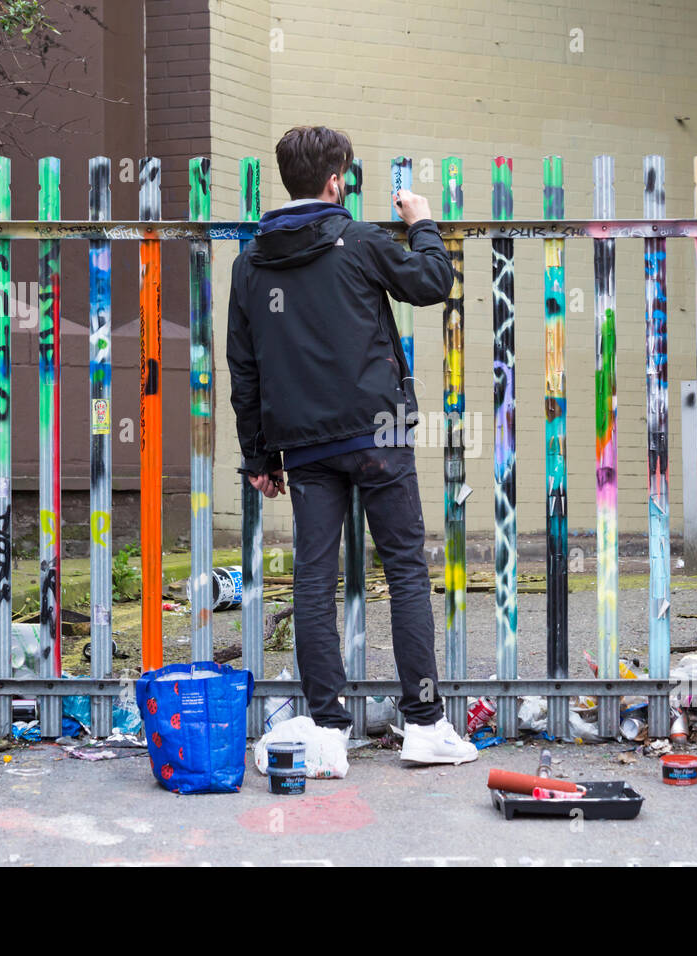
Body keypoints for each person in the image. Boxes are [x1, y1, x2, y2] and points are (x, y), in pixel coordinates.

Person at [227, 125, 478, 766]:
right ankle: (423, 726)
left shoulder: (250, 264)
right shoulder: (359, 241)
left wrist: (258, 457)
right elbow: (431, 281)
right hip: (377, 433)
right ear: (335, 179)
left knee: (313, 582)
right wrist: (422, 222)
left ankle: (329, 729)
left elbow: (244, 368)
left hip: (304, 448)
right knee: (403, 571)